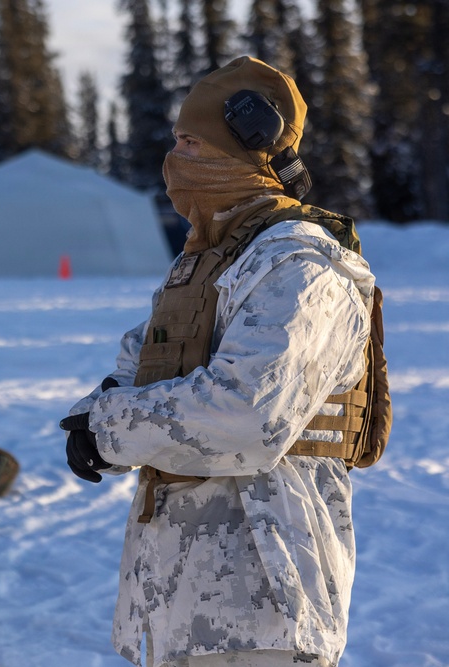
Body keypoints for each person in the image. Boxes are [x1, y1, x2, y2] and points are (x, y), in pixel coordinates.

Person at [60, 56, 375, 667]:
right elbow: (135, 362)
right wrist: (95, 415)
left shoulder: (298, 264)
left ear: (245, 147)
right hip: (184, 600)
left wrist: (111, 427)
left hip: (264, 601)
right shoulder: (208, 262)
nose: (175, 160)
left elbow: (248, 413)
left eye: (190, 141)